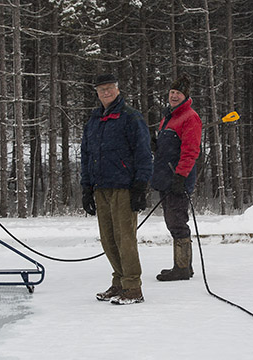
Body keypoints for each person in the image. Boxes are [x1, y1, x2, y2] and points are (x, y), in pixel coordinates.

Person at [81, 74, 153, 305]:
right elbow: (86, 156)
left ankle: (133, 287)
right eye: (101, 89)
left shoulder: (130, 117)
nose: (106, 93)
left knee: (125, 238)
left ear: (117, 89)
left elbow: (143, 153)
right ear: (97, 92)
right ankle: (120, 281)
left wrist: (140, 186)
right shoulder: (93, 121)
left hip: (124, 187)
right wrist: (86, 188)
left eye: (110, 88)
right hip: (101, 186)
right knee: (108, 239)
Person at [150, 74, 202, 281]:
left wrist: (181, 176)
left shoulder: (190, 117)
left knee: (177, 221)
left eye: (178, 93)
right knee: (172, 221)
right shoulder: (169, 117)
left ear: (185, 96)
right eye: (172, 92)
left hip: (178, 179)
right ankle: (182, 265)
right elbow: (170, 149)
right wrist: (156, 146)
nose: (173, 96)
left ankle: (182, 268)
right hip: (165, 178)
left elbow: (190, 151)